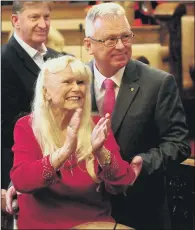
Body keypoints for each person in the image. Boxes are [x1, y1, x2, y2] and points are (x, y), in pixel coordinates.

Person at [83, 2, 191, 230]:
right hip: (84, 206)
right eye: (110, 39)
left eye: (126, 36)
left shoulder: (159, 83)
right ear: (88, 45)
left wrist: (144, 162)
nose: (121, 45)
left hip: (142, 207)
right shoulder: (75, 82)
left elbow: (178, 144)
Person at [10, 55, 141, 229]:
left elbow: (122, 183)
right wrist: (64, 152)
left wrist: (101, 152)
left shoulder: (97, 124)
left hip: (95, 225)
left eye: (81, 83)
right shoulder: (27, 126)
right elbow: (21, 181)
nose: (76, 88)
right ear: (46, 92)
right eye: (67, 82)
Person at [1, 1, 59, 189]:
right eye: (34, 17)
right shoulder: (3, 61)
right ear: (15, 20)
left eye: (46, 17)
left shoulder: (58, 58)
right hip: (18, 169)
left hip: (58, 165)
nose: (43, 24)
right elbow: (7, 126)